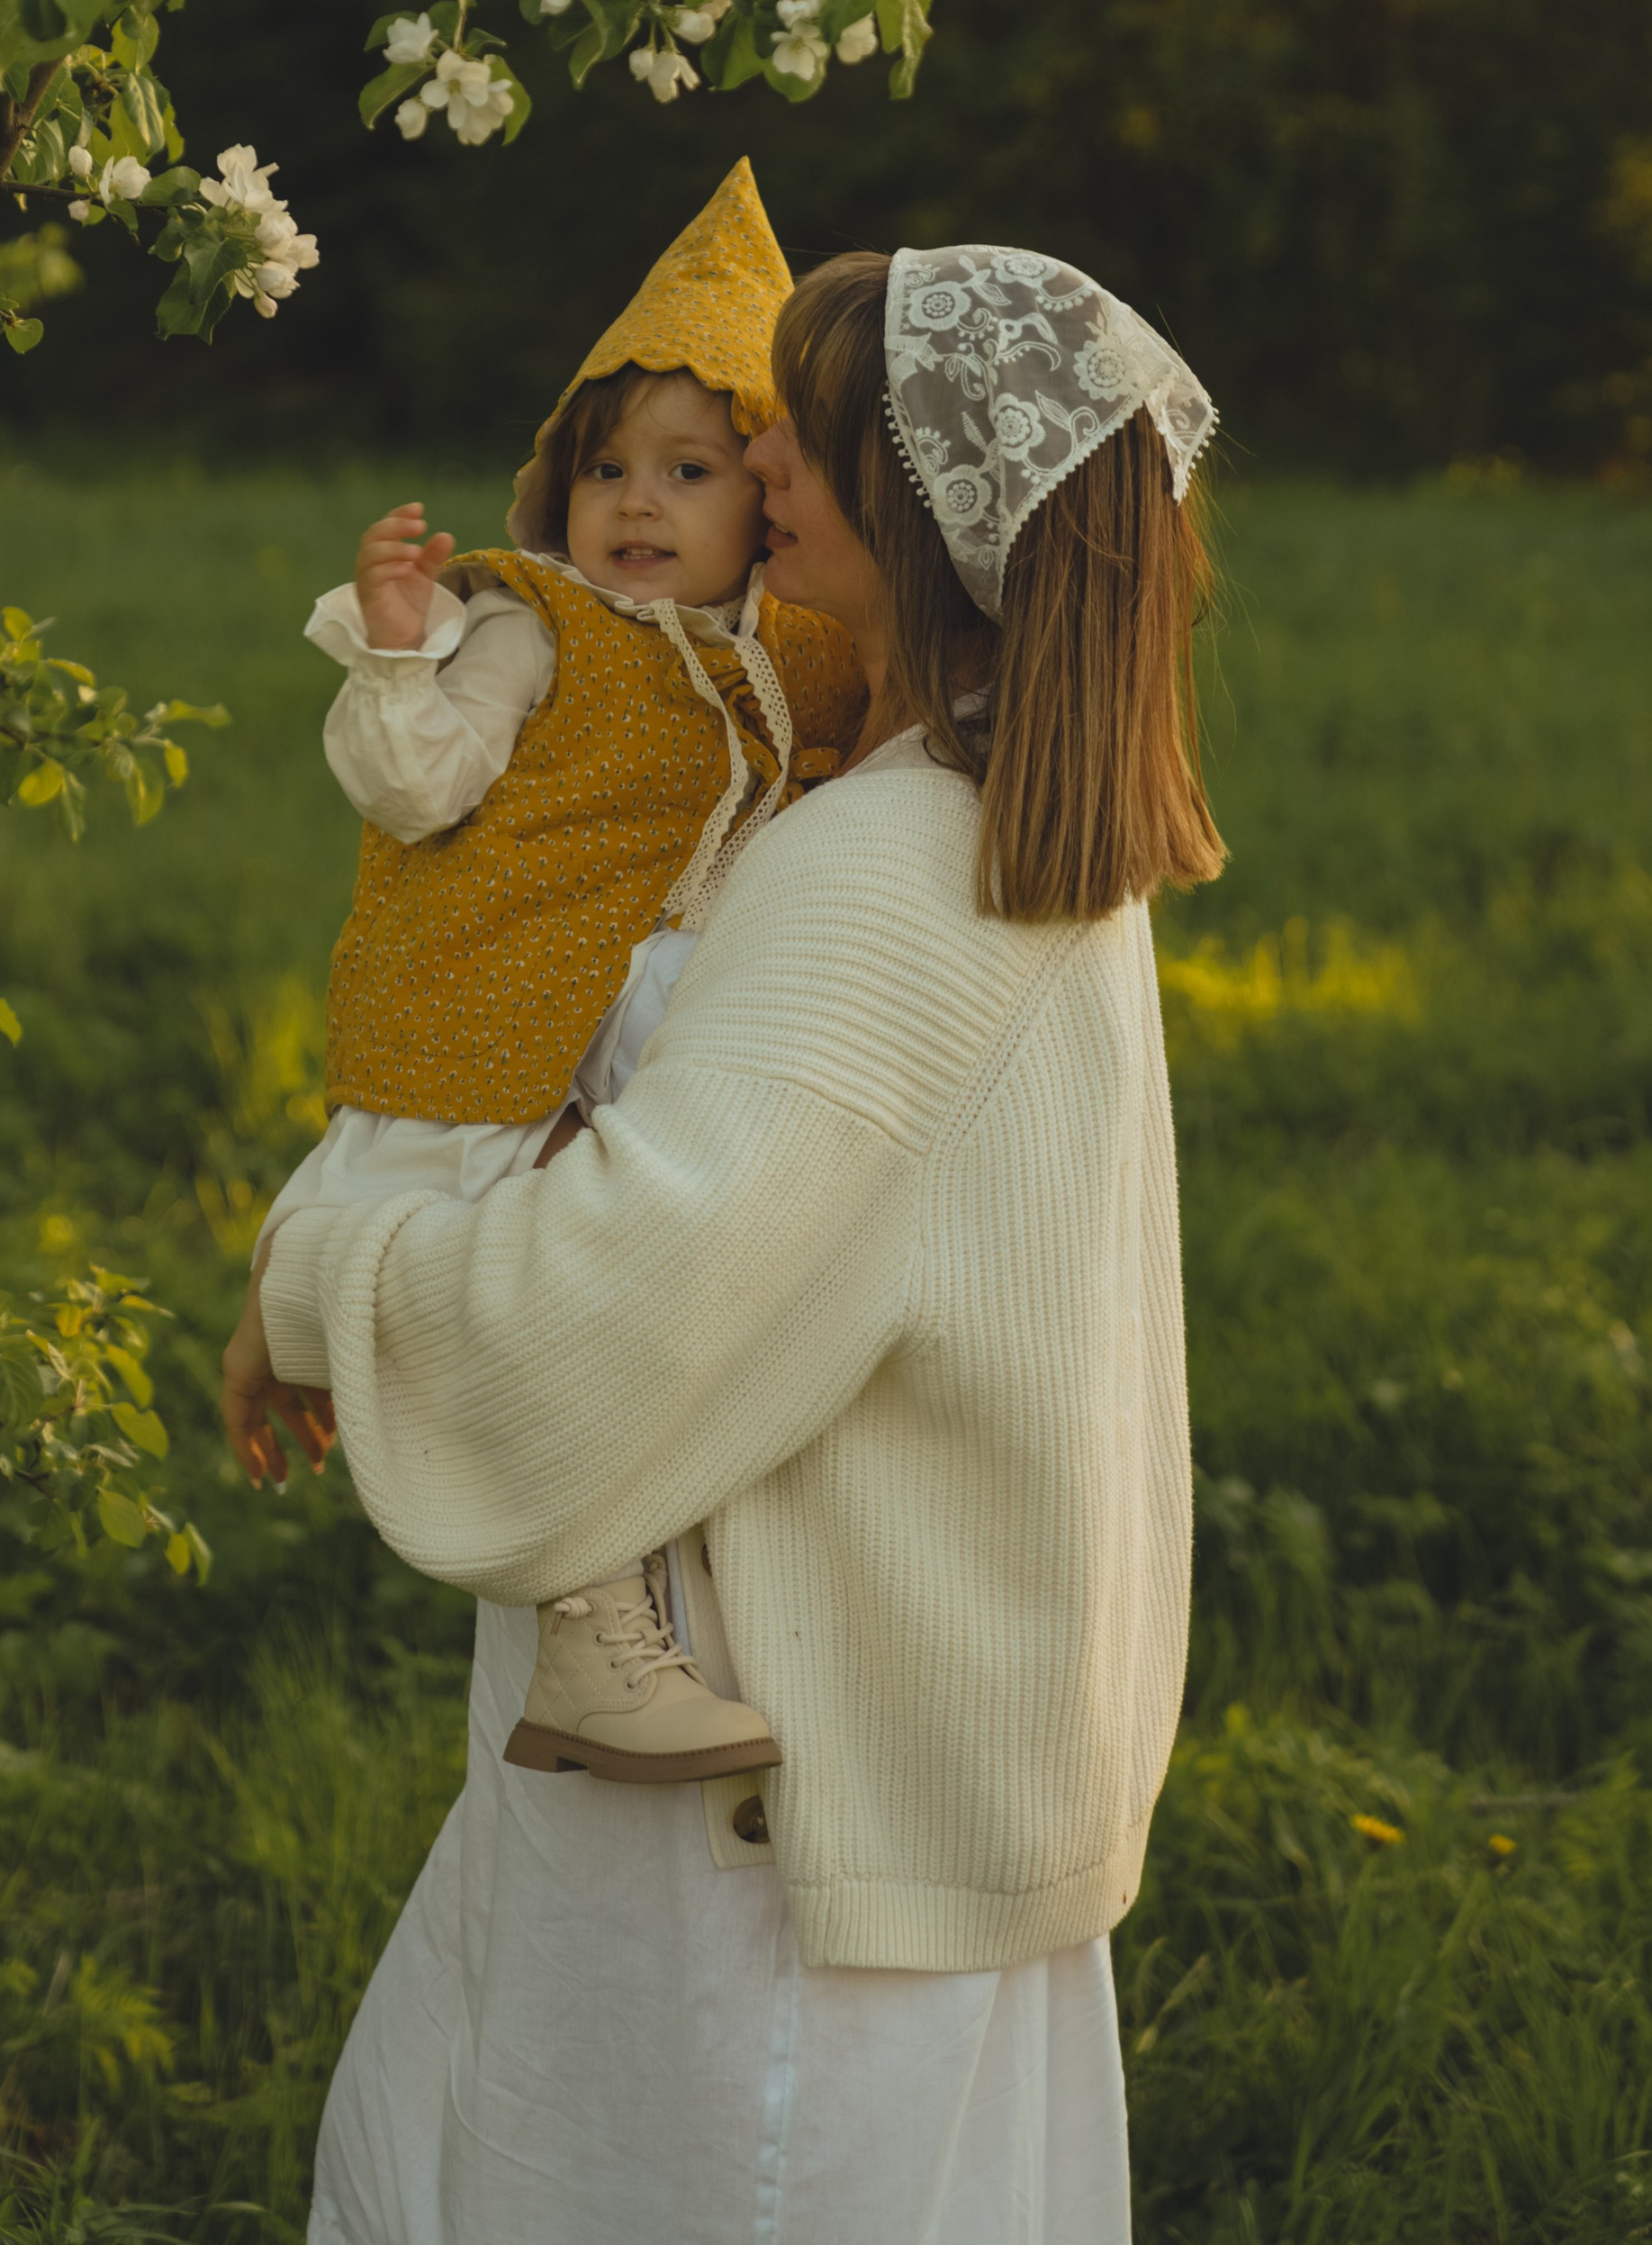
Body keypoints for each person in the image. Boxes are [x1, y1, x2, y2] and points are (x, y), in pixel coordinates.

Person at [221, 240, 1223, 2245]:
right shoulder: (987, 805)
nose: (747, 448)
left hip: (772, 1768)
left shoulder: (881, 869)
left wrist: (316, 1278)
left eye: (792, 423)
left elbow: (620, 1296)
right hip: (896, 1679)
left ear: (913, 496)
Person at [256, 158, 866, 1780]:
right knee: (540, 1323)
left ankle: (619, 1585)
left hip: (667, 1037)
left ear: (773, 501)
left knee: (620, 1308)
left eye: (688, 468)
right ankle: (590, 1635)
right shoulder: (533, 623)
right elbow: (418, 782)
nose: (638, 505)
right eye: (608, 467)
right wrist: (404, 651)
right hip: (509, 1013)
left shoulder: (809, 655)